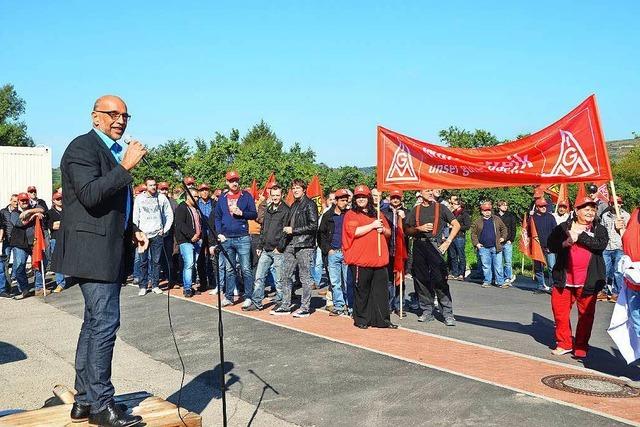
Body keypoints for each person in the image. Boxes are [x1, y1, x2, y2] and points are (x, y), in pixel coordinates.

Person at [52, 95, 145, 426]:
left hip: (107, 248)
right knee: (105, 322)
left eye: (125, 115)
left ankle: (84, 399)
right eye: (113, 114)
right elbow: (90, 195)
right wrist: (126, 167)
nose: (120, 120)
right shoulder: (83, 148)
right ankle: (102, 406)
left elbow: (107, 205)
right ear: (95, 118)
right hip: (90, 252)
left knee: (95, 322)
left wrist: (129, 227)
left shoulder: (112, 152)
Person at [547, 197, 608, 358]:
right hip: (564, 279)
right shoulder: (562, 227)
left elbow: (600, 245)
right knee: (559, 313)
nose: (590, 212)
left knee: (586, 315)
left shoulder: (599, 229)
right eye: (586, 209)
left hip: (588, 280)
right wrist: (563, 244)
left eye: (593, 209)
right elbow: (551, 244)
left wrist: (579, 236)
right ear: (576, 211)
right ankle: (564, 343)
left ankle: (581, 345)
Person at [405, 188, 461, 326]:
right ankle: (427, 311)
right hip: (419, 246)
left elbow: (456, 225)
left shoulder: (441, 208)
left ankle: (447, 313)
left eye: (432, 190)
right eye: (427, 190)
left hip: (436, 245)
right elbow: (407, 230)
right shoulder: (416, 209)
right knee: (421, 280)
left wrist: (448, 242)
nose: (430, 193)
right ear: (420, 193)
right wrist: (419, 229)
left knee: (440, 280)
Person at [343, 185, 396, 329]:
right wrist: (372, 226)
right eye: (358, 197)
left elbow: (388, 232)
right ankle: (361, 319)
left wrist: (382, 229)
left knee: (381, 292)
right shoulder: (351, 214)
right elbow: (353, 232)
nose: (361, 199)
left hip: (379, 261)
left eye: (363, 197)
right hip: (361, 261)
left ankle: (382, 320)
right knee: (362, 291)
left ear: (369, 198)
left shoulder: (378, 214)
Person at [271, 178, 318, 317]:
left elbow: (313, 225)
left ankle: (305, 307)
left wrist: (294, 230)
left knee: (305, 278)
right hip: (291, 244)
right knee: (285, 275)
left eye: (298, 187)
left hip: (305, 244)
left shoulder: (310, 204)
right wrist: (282, 244)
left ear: (304, 189)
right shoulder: (293, 205)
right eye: (294, 188)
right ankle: (286, 305)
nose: (295, 190)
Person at [214, 170, 258, 308]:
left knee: (245, 268)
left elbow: (254, 214)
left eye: (236, 180)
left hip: (243, 237)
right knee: (229, 269)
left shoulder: (246, 196)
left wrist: (242, 213)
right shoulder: (222, 198)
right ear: (227, 182)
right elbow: (217, 217)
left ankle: (248, 296)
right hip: (226, 238)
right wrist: (219, 232)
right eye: (231, 180)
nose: (234, 183)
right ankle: (229, 297)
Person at [244, 185, 289, 311]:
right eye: (273, 195)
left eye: (277, 195)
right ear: (270, 195)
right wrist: (260, 245)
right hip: (265, 248)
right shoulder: (268, 209)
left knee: (279, 279)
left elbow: (286, 232)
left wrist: (280, 247)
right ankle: (257, 302)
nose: (275, 197)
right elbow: (264, 229)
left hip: (277, 250)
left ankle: (280, 302)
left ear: (282, 195)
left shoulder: (286, 210)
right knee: (259, 277)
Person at [132, 177, 174, 296]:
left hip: (157, 234)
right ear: (146, 186)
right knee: (143, 261)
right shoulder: (140, 199)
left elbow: (169, 214)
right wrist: (137, 231)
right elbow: (135, 217)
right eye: (150, 185)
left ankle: (155, 284)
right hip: (143, 235)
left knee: (156, 261)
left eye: (155, 185)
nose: (153, 187)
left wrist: (165, 230)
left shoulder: (161, 198)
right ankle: (143, 286)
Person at [318, 189, 351, 316]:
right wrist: (328, 250)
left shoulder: (349, 214)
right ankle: (339, 306)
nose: (345, 203)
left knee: (348, 281)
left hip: (346, 252)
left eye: (346, 200)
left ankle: (350, 306)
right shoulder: (328, 216)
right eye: (342, 200)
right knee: (335, 282)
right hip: (333, 253)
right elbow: (321, 235)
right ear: (336, 201)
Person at [10, 192, 46, 299]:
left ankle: (39, 288)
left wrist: (30, 211)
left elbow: (42, 209)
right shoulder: (14, 212)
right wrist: (34, 215)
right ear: (19, 202)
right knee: (19, 266)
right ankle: (24, 289)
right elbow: (20, 223)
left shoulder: (33, 207)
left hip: (34, 243)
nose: (24, 202)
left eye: (26, 200)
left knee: (39, 264)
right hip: (20, 244)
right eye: (22, 201)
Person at [381, 190, 407, 316]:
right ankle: (388, 305)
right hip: (388, 250)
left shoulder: (406, 212)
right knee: (388, 280)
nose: (395, 200)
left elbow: (410, 229)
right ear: (389, 198)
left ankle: (399, 305)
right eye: (393, 197)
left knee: (400, 279)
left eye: (398, 198)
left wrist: (404, 219)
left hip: (402, 251)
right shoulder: (384, 213)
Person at [599, 196, 630, 302]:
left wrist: (621, 228)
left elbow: (629, 233)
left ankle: (616, 293)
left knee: (618, 271)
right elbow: (602, 230)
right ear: (610, 204)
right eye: (614, 203)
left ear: (621, 204)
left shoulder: (626, 216)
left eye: (619, 203)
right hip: (607, 247)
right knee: (605, 270)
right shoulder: (605, 216)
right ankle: (602, 291)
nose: (617, 205)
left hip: (619, 247)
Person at [471, 201, 508, 288]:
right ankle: (487, 281)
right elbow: (473, 234)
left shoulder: (496, 219)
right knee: (486, 266)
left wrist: (503, 237)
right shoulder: (478, 221)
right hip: (484, 248)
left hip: (496, 246)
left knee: (498, 266)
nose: (487, 212)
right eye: (485, 210)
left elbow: (504, 229)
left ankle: (500, 282)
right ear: (482, 211)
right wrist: (477, 244)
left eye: (488, 210)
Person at [175, 188, 202, 298]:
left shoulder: (196, 208)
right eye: (194, 196)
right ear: (188, 196)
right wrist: (192, 235)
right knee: (189, 263)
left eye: (197, 197)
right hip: (186, 240)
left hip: (197, 240)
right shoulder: (182, 207)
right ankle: (187, 288)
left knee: (194, 264)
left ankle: (191, 285)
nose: (197, 198)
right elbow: (180, 224)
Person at [532, 198, 557, 293]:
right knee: (538, 267)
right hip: (537, 247)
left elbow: (555, 232)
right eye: (541, 206)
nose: (544, 208)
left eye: (545, 206)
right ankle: (540, 286)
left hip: (549, 247)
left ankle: (553, 287)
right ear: (537, 207)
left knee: (551, 267)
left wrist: (553, 245)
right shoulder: (532, 218)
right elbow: (528, 232)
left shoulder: (551, 217)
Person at [196, 183, 215, 291]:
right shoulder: (195, 203)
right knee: (200, 260)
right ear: (199, 192)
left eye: (206, 190)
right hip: (200, 234)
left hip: (211, 234)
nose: (204, 192)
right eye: (202, 190)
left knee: (212, 259)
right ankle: (203, 283)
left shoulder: (214, 203)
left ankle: (212, 281)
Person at [447, 195, 470, 281]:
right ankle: (454, 273)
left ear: (459, 205)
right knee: (452, 256)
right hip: (452, 236)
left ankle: (461, 273)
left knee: (461, 255)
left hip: (460, 236)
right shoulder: (452, 214)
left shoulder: (464, 214)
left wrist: (457, 227)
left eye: (454, 204)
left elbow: (467, 226)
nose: (453, 205)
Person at [47, 192, 66, 292]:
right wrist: (63, 224)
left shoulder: (67, 210)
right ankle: (60, 283)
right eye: (58, 199)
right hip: (56, 238)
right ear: (53, 200)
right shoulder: (50, 213)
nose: (60, 200)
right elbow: (52, 226)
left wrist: (60, 224)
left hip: (68, 238)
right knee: (58, 261)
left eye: (61, 198)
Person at [496, 199, 518, 285]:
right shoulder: (495, 216)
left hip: (507, 241)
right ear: (499, 206)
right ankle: (499, 277)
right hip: (498, 241)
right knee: (498, 261)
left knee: (508, 261)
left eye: (506, 205)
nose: (505, 206)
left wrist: (511, 239)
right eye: (503, 205)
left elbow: (513, 229)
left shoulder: (511, 216)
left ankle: (508, 277)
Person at [0, 194, 18, 295]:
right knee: (5, 264)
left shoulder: (19, 212)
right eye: (14, 201)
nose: (16, 203)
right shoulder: (3, 212)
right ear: (10, 201)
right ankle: (7, 286)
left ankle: (13, 278)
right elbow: (1, 225)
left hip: (16, 241)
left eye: (17, 201)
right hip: (6, 240)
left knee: (18, 262)